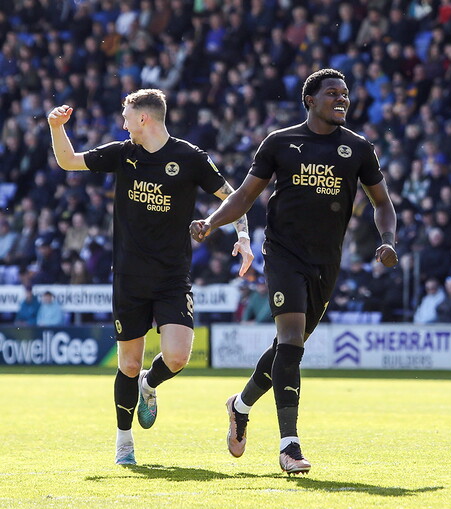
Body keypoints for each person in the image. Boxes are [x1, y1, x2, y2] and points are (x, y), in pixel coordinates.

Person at [190, 68, 397, 475]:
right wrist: (212, 222)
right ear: (310, 99)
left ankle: (240, 404)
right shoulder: (280, 143)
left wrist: (387, 239)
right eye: (332, 93)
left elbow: (382, 203)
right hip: (283, 254)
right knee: (289, 340)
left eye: (345, 94)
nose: (342, 99)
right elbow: (245, 196)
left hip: (326, 261)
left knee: (290, 348)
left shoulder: (358, 148)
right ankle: (290, 446)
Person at [48, 89, 253, 466]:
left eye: (126, 115)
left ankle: (150, 384)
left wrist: (243, 237)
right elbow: (68, 161)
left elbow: (234, 198)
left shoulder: (191, 158)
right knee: (127, 362)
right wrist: (55, 126)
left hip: (173, 275)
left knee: (176, 356)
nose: (122, 122)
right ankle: (124, 442)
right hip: (130, 275)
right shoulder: (123, 153)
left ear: (144, 118)